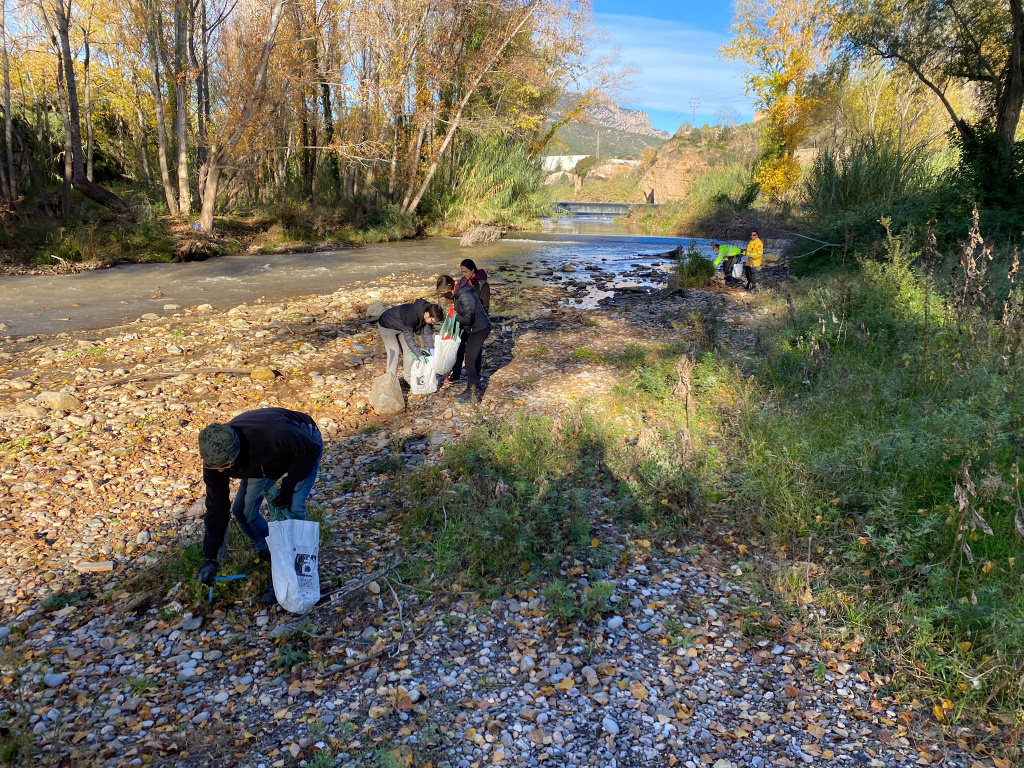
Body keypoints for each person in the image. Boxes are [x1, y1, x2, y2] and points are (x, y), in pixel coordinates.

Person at [197, 408, 323, 603]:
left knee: (293, 505)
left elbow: (310, 449)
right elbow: (217, 507)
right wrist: (211, 559)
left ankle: (297, 572)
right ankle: (272, 554)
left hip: (303, 446)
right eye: (216, 466)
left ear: (236, 451)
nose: (221, 470)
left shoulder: (275, 433)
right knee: (242, 512)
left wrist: (288, 487)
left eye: (226, 464)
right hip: (261, 464)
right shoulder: (216, 461)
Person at [436, 274, 490, 404]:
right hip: (474, 328)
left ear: (450, 286)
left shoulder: (464, 295)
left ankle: (473, 396)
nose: (444, 294)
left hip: (480, 328)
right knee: (473, 359)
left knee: (469, 362)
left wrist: (454, 315)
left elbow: (468, 318)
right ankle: (469, 391)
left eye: (444, 291)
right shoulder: (460, 291)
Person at [377, 299, 443, 382]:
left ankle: (409, 378)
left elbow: (426, 334)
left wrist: (431, 349)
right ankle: (390, 381)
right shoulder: (411, 315)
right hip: (387, 325)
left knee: (409, 352)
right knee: (394, 352)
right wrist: (419, 355)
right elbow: (409, 338)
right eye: (432, 321)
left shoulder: (427, 317)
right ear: (427, 314)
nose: (432, 323)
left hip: (402, 327)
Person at [447, 259, 491, 384]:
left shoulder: (483, 284)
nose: (463, 274)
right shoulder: (463, 283)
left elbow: (485, 306)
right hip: (464, 319)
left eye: (465, 272)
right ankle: (456, 374)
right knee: (459, 347)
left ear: (473, 270)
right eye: (462, 272)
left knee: (475, 353)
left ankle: (476, 377)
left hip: (476, 323)